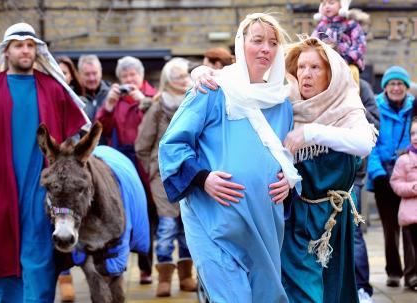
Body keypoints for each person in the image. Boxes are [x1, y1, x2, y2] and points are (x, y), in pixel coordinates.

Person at [159, 13, 301, 302]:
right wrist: (203, 178)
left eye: (273, 43)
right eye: (257, 40)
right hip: (213, 221)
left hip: (264, 226)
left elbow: (285, 157)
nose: (265, 48)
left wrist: (289, 183)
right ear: (240, 44)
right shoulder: (212, 90)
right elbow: (172, 145)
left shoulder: (283, 103)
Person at [0, 23, 88, 303]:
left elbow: (74, 133)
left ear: (37, 50)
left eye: (30, 45)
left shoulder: (53, 89)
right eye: (19, 45)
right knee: (0, 252)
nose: (26, 50)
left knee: (39, 253)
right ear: (6, 51)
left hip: (41, 190)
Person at [279, 37, 376, 303]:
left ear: (331, 74)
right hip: (297, 217)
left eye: (315, 68)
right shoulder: (286, 106)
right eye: (301, 68)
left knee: (334, 293)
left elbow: (364, 144)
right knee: (304, 293)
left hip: (335, 218)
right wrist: (201, 73)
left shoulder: (347, 108)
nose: (305, 75)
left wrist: (311, 132)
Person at [135, 58, 196, 297]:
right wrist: (153, 170)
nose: (185, 80)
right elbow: (142, 145)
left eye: (185, 75)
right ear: (169, 80)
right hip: (162, 178)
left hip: (191, 175)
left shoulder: (195, 102)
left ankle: (185, 275)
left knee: (186, 226)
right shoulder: (158, 107)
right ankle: (164, 277)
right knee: (168, 225)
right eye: (179, 76)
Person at [96, 55, 158, 284]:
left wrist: (142, 100)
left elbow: (156, 123)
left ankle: (146, 267)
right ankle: (117, 262)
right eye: (125, 76)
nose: (129, 79)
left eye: (133, 75)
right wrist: (109, 105)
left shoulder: (152, 96)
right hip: (121, 160)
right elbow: (100, 127)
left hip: (145, 160)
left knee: (148, 214)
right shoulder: (115, 100)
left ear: (141, 76)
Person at [367, 65, 416, 289]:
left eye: (400, 84)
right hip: (382, 176)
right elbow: (370, 143)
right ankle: (393, 271)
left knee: (410, 224)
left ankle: (412, 273)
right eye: (392, 84)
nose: (396, 88)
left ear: (406, 87)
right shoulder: (375, 108)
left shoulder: (412, 109)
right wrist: (377, 175)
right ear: (385, 87)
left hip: (407, 175)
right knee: (390, 229)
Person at [55, 55, 86, 302]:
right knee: (58, 221)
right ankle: (65, 276)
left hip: (77, 167)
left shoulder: (80, 101)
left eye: (65, 72)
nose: (62, 75)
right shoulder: (48, 99)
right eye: (58, 71)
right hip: (55, 169)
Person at [354, 78, 380, 303]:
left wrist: (355, 102)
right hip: (318, 175)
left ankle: (362, 288)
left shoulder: (360, 86)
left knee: (353, 232)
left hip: (353, 176)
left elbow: (375, 125)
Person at [390, 116, 417, 291]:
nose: (415, 137)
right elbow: (396, 183)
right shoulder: (404, 160)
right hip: (411, 215)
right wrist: (413, 187)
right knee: (412, 249)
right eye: (413, 133)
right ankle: (412, 277)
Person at [312, 0, 367, 86]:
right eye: (324, 4)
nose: (327, 6)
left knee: (352, 74)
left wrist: (348, 58)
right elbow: (312, 43)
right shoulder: (321, 26)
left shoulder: (351, 24)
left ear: (342, 5)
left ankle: (352, 96)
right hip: (326, 65)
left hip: (348, 64)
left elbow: (360, 45)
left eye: (331, 3)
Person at [78, 54, 110, 121]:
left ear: (101, 72)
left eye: (94, 73)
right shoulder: (74, 97)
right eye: (87, 74)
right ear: (79, 74)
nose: (91, 78)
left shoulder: (111, 95)